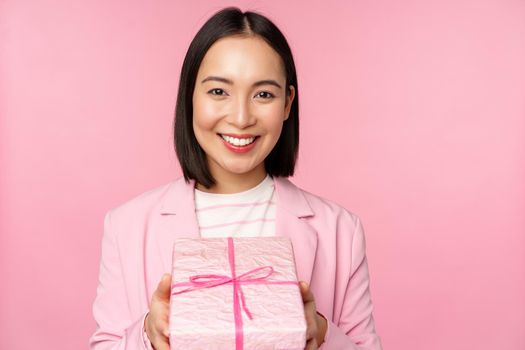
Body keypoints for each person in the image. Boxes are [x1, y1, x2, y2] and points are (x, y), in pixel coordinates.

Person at [89, 6, 383, 350]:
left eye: (263, 94)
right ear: (190, 95)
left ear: (287, 103)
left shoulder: (340, 231)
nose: (241, 118)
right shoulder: (127, 225)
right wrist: (147, 335)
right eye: (218, 92)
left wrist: (320, 332)